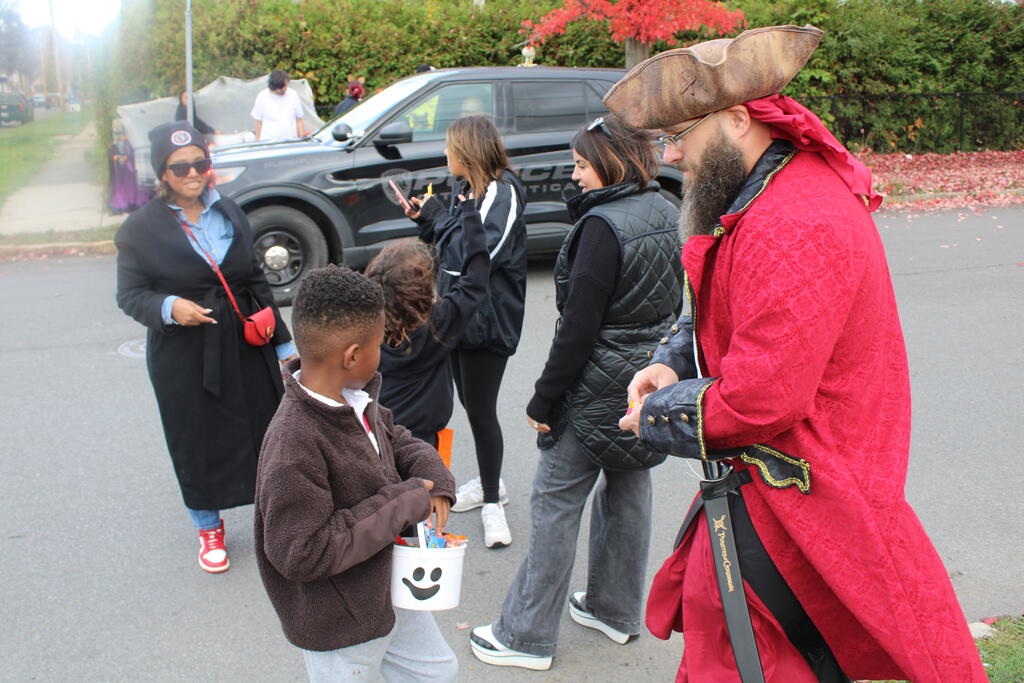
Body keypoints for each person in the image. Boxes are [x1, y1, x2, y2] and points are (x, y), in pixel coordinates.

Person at [609, 25, 987, 682]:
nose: (671, 154)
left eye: (680, 134)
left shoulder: (794, 221)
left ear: (738, 118)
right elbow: (724, 302)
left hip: (804, 502)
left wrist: (657, 415)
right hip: (777, 495)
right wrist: (674, 358)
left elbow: (762, 396)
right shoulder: (766, 194)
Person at [468, 115, 683, 671]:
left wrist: (544, 399)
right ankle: (615, 610)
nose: (574, 174)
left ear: (610, 164)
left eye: (582, 164)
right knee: (629, 488)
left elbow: (578, 330)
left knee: (555, 501)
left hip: (594, 387)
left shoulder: (601, 228)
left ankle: (524, 635)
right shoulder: (665, 209)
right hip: (646, 381)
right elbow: (674, 302)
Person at [253, 265, 458, 683]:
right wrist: (405, 502)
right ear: (351, 356)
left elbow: (397, 440)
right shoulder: (292, 444)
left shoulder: (354, 398)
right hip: (340, 626)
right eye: (378, 345)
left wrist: (433, 477)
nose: (381, 353)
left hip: (388, 589)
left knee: (438, 672)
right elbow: (302, 553)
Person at [115, 121, 297, 573]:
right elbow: (130, 294)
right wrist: (170, 307)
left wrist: (283, 347)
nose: (193, 173)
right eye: (181, 167)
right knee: (195, 439)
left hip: (245, 342)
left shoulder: (229, 210)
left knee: (267, 430)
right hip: (185, 356)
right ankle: (208, 526)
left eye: (200, 163)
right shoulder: (140, 229)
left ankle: (275, 519)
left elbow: (254, 278)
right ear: (163, 173)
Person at [404, 115, 527, 548]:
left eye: (449, 147)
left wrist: (438, 216)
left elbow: (478, 254)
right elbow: (448, 249)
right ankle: (488, 484)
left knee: (481, 410)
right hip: (457, 315)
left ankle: (493, 501)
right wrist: (426, 219)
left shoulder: (502, 193)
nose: (444, 153)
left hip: (489, 323)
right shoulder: (464, 188)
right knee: (464, 406)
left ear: (468, 152)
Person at [367, 186, 489, 448]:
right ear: (422, 288)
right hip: (424, 442)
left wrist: (425, 222)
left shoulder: (366, 327)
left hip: (379, 436)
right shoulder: (439, 323)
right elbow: (475, 279)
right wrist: (471, 219)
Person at [251, 69, 306, 142]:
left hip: (290, 142)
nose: (284, 89)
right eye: (281, 88)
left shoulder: (293, 95)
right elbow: (258, 121)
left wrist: (303, 139)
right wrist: (258, 142)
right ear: (273, 87)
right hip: (268, 143)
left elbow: (299, 119)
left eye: (285, 86)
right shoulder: (262, 96)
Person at [107, 119, 149, 213]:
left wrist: (126, 157)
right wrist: (116, 157)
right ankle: (120, 203)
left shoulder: (127, 145)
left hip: (127, 168)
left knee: (128, 185)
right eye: (116, 133)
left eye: (120, 133)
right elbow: (111, 154)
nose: (119, 136)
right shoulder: (113, 146)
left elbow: (130, 153)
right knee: (119, 186)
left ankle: (129, 202)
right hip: (118, 169)